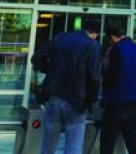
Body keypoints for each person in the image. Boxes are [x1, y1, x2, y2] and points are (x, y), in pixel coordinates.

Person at [40, 19, 103, 154]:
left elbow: (37, 58)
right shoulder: (93, 45)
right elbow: (94, 76)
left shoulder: (59, 38)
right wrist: (92, 99)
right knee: (74, 145)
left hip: (54, 95)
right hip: (77, 99)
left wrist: (50, 72)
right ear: (94, 33)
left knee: (48, 144)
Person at [99, 21, 136, 154]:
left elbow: (111, 77)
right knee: (134, 145)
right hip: (135, 104)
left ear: (112, 37)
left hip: (116, 103)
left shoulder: (116, 50)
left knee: (107, 145)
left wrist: (104, 83)